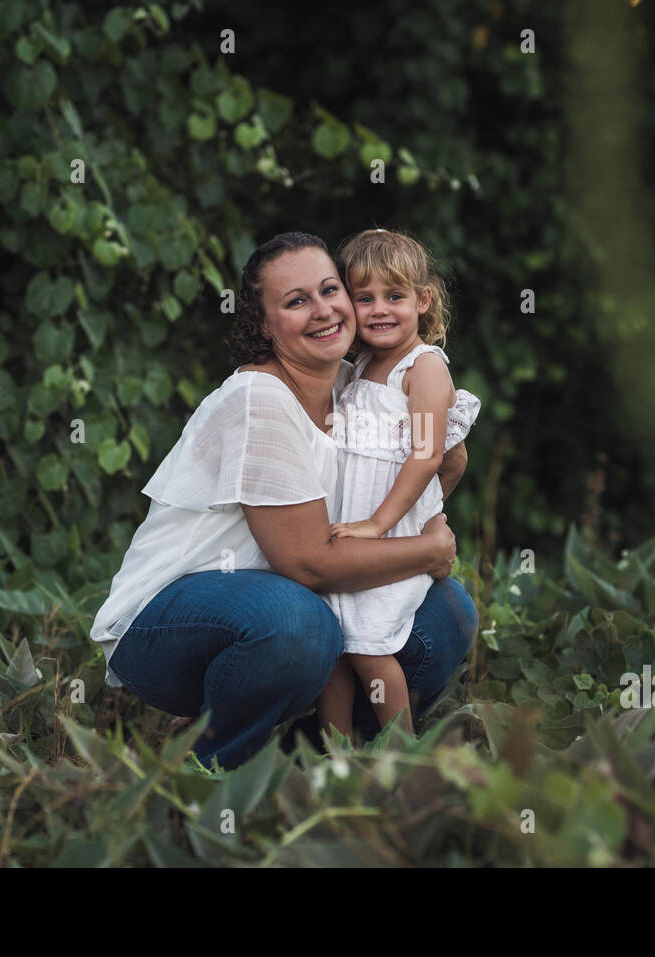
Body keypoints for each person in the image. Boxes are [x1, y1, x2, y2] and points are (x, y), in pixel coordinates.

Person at [90, 231, 478, 770]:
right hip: (167, 623)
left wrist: (438, 468)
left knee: (446, 610)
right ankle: (211, 773)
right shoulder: (260, 398)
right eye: (296, 302)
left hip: (285, 602)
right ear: (264, 325)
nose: (322, 311)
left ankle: (323, 761)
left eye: (329, 290)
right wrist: (427, 551)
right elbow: (310, 563)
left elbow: (442, 460)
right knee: (300, 621)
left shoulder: (357, 383)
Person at [316, 229, 480, 742]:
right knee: (336, 648)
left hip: (387, 531)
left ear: (423, 300)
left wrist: (385, 522)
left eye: (394, 296)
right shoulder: (363, 365)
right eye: (364, 298)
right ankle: (336, 758)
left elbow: (430, 453)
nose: (379, 310)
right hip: (353, 526)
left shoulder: (423, 367)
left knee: (368, 646)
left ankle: (402, 757)